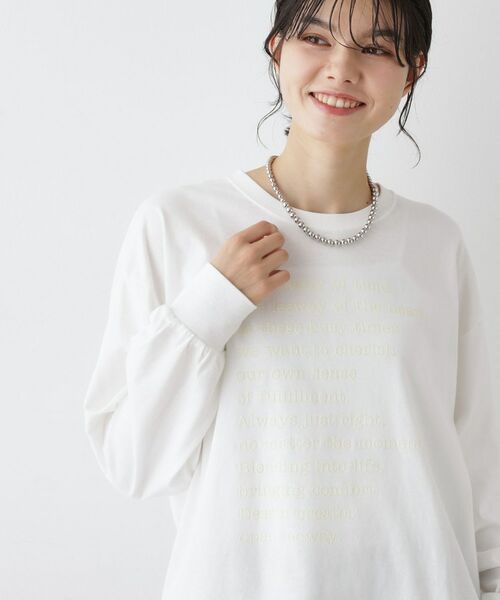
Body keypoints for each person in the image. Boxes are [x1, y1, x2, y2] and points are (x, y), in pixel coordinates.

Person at [82, 0, 500, 598]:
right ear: (276, 47)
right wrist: (209, 307)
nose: (341, 68)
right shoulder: (180, 225)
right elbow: (133, 463)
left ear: (414, 69)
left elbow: (476, 462)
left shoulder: (436, 243)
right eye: (316, 38)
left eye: (376, 48)